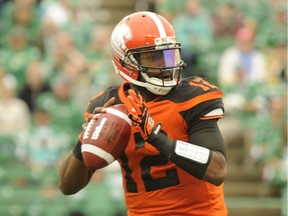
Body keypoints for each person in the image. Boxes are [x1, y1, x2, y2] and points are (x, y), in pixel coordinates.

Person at [58, 11, 227, 216]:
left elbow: (217, 169)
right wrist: (85, 139)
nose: (165, 65)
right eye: (153, 57)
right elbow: (67, 186)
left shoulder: (191, 97)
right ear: (126, 62)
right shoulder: (109, 105)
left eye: (168, 54)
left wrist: (157, 138)